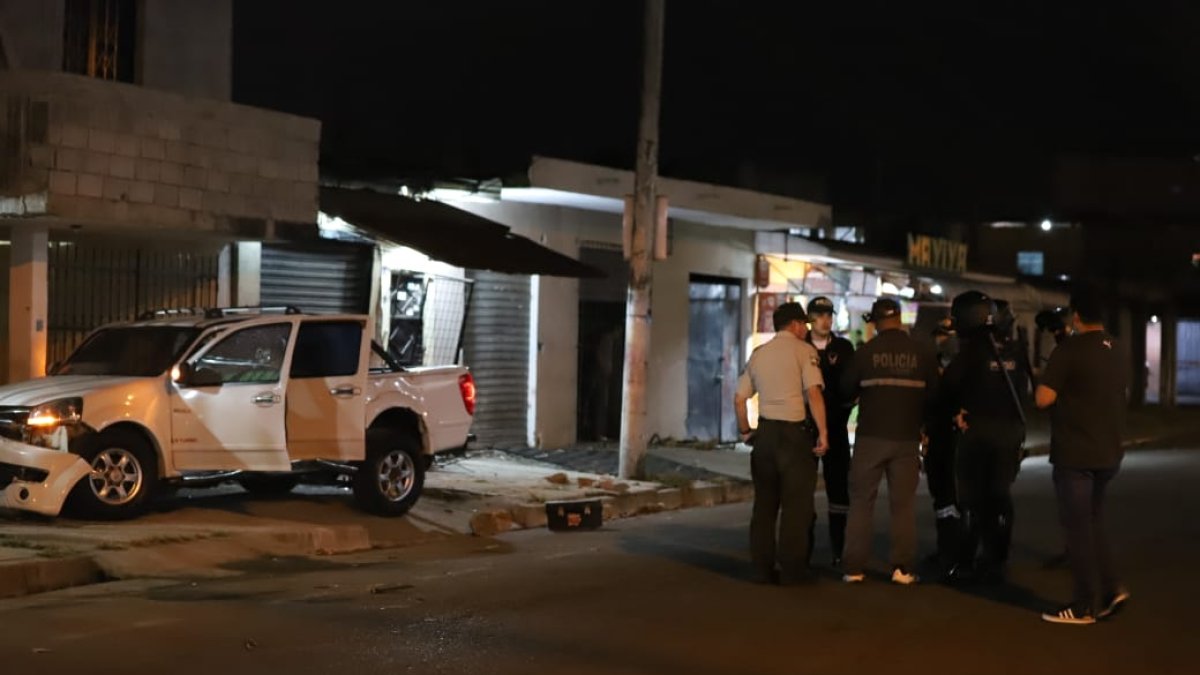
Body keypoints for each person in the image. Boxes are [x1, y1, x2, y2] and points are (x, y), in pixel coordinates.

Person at [1036, 289, 1130, 625]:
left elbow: (1044, 399)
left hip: (1075, 453)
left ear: (1076, 316)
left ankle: (1082, 606)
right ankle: (1111, 588)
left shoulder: (1068, 350)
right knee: (1093, 522)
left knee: (1077, 530)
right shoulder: (1118, 349)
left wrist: (1044, 376)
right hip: (1109, 450)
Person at [841, 298, 939, 585]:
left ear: (876, 323)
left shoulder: (865, 353)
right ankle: (902, 569)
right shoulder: (922, 354)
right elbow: (935, 396)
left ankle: (854, 568)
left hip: (870, 438)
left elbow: (845, 390)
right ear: (899, 319)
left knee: (861, 502)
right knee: (903, 505)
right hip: (907, 438)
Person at [734, 302, 829, 585]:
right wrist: (823, 432)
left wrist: (745, 431)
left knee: (764, 507)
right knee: (796, 508)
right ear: (796, 325)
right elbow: (813, 394)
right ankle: (792, 571)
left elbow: (739, 399)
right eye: (805, 326)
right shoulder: (805, 352)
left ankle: (762, 569)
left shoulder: (759, 354)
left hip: (765, 436)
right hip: (794, 437)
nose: (806, 331)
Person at [941, 291, 1029, 584]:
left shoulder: (972, 351)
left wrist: (956, 412)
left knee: (971, 500)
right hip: (1011, 431)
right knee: (1001, 496)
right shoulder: (1014, 349)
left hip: (978, 432)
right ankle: (997, 560)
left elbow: (947, 388)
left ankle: (964, 562)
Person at [804, 296, 856, 567]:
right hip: (806, 428)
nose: (825, 319)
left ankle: (839, 548)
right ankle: (804, 546)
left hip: (835, 427)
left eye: (828, 314)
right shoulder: (801, 347)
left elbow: (855, 383)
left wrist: (846, 408)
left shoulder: (844, 348)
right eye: (819, 314)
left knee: (838, 491)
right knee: (803, 488)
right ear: (809, 317)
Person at [923, 316, 961, 572]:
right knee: (942, 499)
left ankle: (957, 553)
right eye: (940, 334)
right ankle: (946, 550)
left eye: (947, 334)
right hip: (936, 437)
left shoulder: (963, 366)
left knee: (955, 498)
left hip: (957, 439)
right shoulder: (930, 366)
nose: (942, 339)